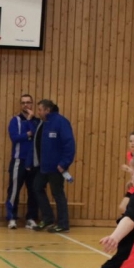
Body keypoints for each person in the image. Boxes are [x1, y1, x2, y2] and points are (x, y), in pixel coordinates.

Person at [32, 99, 76, 233]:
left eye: (40, 110)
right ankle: (48, 218)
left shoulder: (61, 122)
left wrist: (64, 163)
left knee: (57, 193)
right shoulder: (44, 123)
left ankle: (63, 223)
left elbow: (69, 144)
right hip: (44, 166)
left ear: (47, 110)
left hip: (57, 167)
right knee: (37, 187)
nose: (38, 112)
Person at [6, 93, 39, 229]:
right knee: (14, 190)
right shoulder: (15, 120)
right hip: (18, 161)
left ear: (32, 104)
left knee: (34, 191)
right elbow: (15, 138)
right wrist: (28, 134)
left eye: (28, 102)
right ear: (20, 105)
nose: (26, 105)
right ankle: (11, 218)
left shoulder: (37, 121)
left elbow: (37, 135)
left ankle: (31, 218)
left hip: (34, 162)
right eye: (23, 103)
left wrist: (30, 122)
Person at [117, 131, 134, 217]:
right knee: (122, 207)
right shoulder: (129, 154)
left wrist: (129, 170)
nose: (132, 143)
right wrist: (132, 180)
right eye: (131, 141)